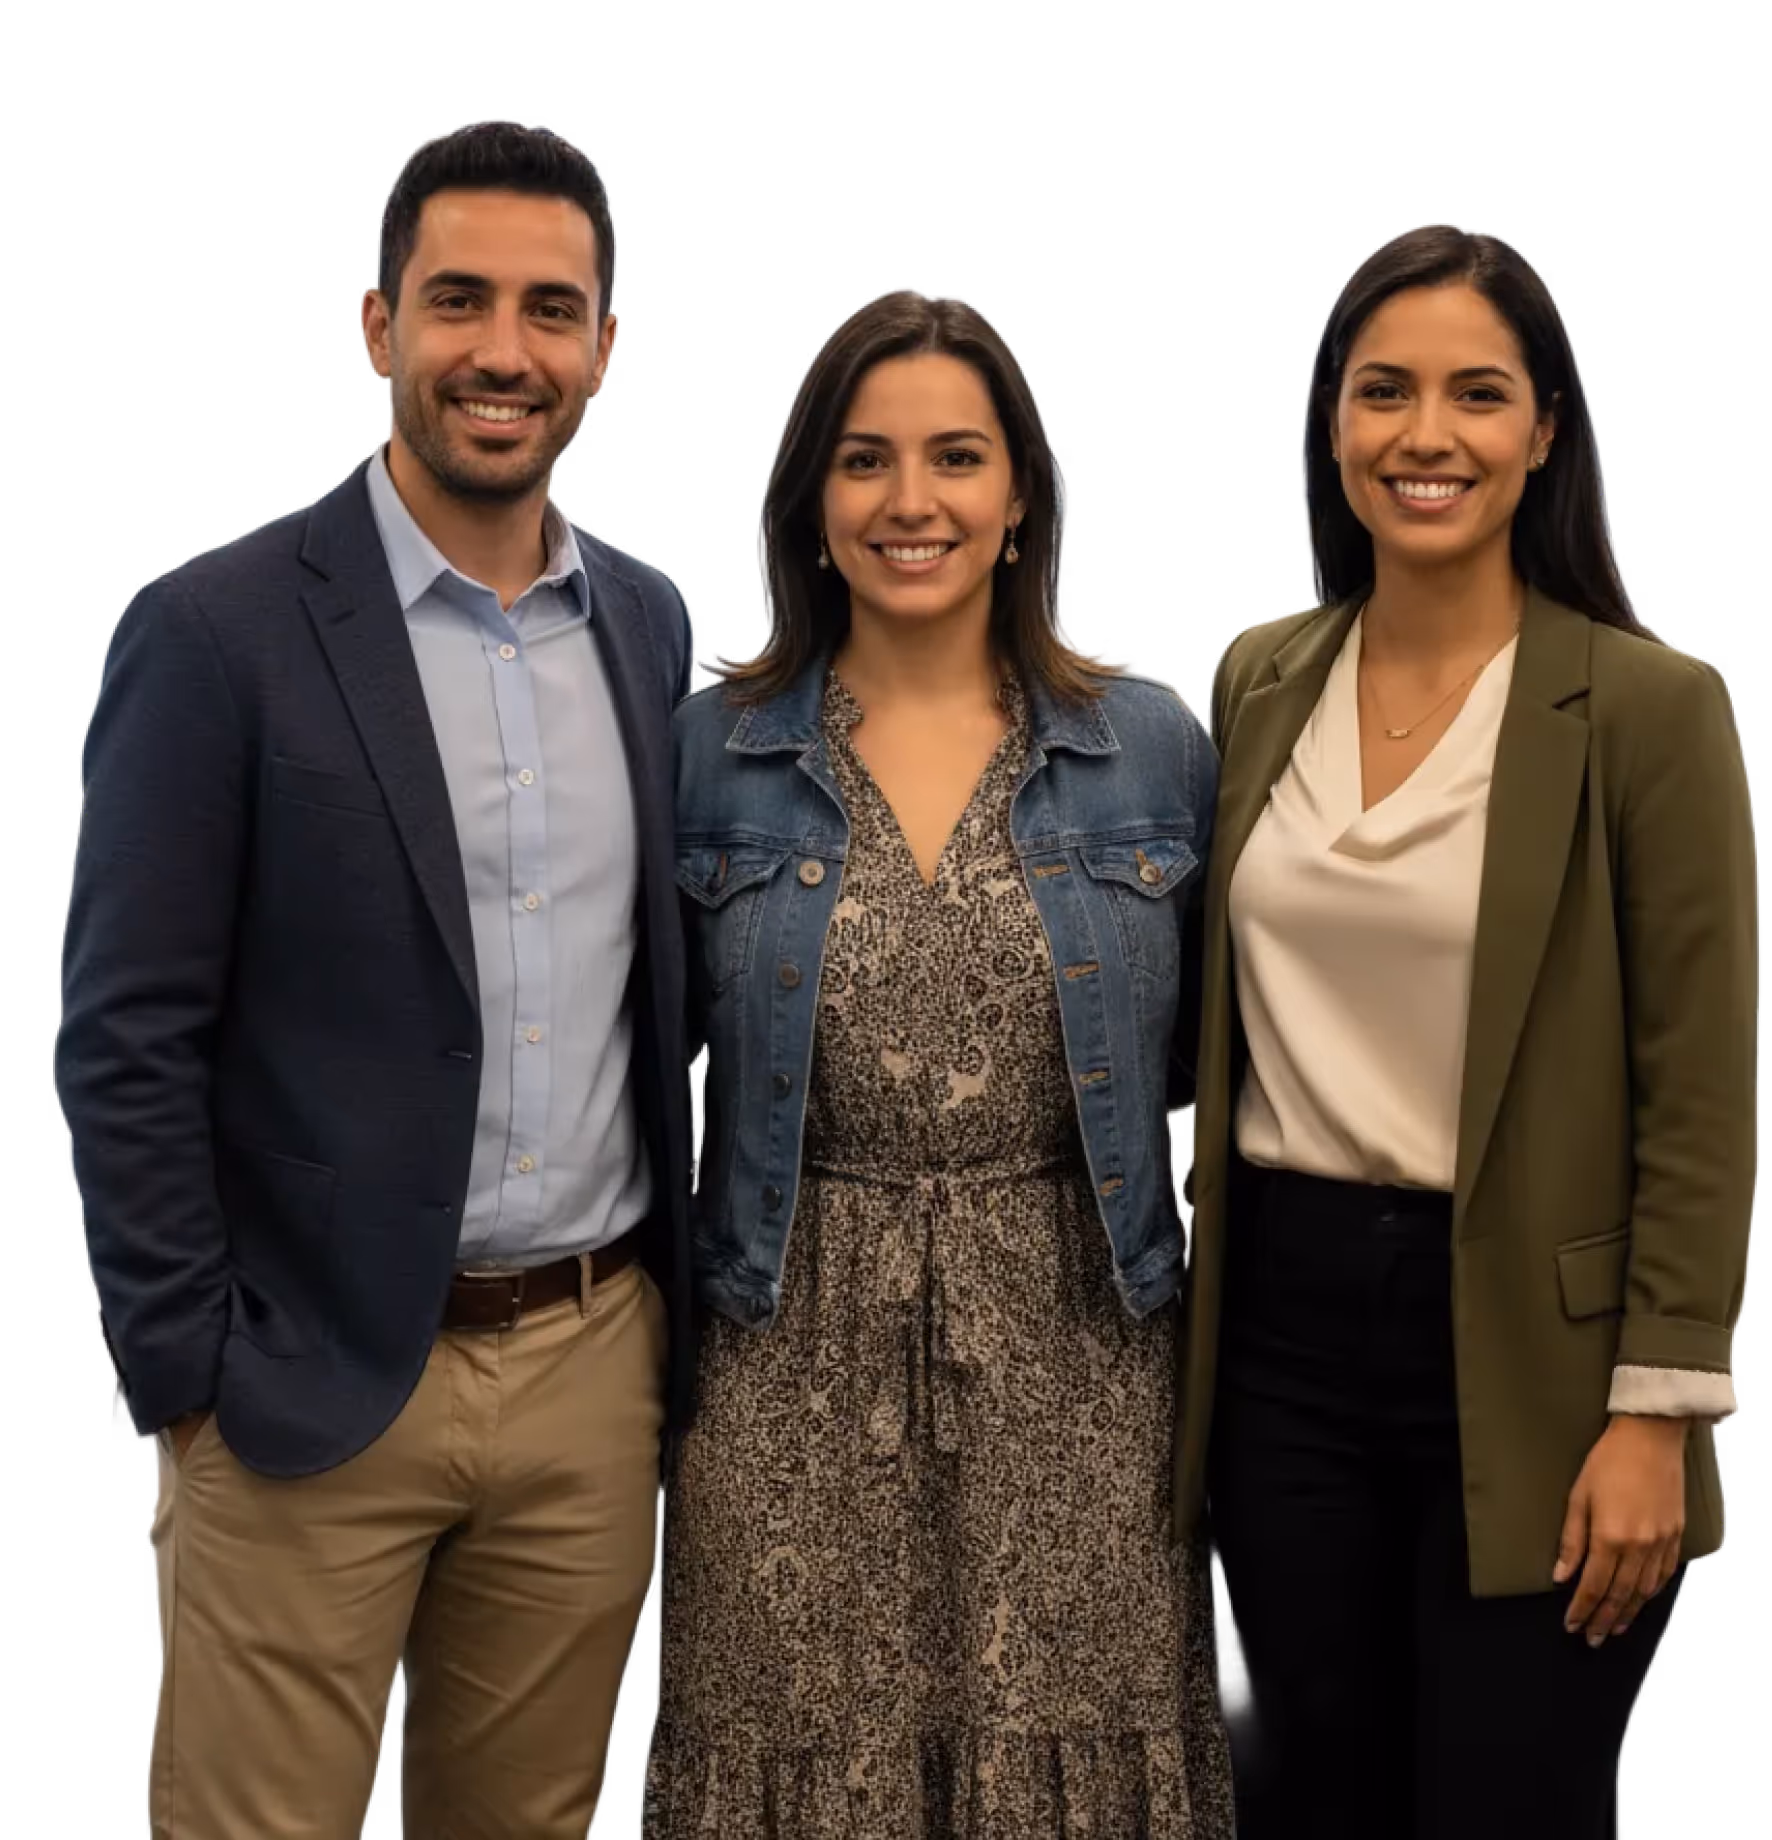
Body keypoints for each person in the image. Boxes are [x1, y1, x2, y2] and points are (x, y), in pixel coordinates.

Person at [54, 122, 696, 1836]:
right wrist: (184, 1374)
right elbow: (124, 1036)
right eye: (459, 300)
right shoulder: (214, 630)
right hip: (304, 1391)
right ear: (375, 326)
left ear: (606, 349)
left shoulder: (648, 623)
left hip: (588, 1372)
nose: (505, 350)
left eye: (551, 309)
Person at [1170, 224, 1755, 1837]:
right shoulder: (1256, 677)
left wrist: (1658, 1412)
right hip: (1280, 1347)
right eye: (1385, 393)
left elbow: (1699, 1095)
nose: (1427, 437)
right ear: (1331, 425)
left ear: (1546, 427)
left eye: (1478, 395)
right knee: (1305, 1795)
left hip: (1540, 1362)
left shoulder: (1650, 706)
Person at [641, 288, 1236, 1836]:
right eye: (865, 461)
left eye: (957, 458)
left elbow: (1238, 1070)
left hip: (1082, 1354)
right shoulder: (706, 745)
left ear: (1021, 494)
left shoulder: (1156, 741)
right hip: (784, 1353)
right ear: (809, 505)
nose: (913, 502)